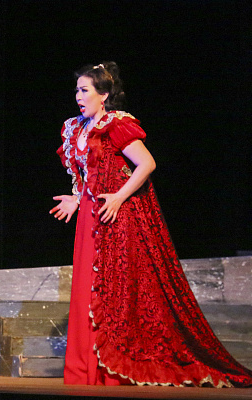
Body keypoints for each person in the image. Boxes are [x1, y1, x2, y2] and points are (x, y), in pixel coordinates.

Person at [50, 62, 252, 387]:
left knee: (115, 291)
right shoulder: (76, 127)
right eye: (77, 90)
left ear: (104, 95)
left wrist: (118, 196)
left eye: (84, 90)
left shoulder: (116, 124)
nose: (78, 96)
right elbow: (88, 175)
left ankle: (110, 372)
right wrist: (76, 199)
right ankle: (85, 370)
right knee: (88, 290)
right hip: (90, 216)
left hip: (117, 216)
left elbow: (146, 163)